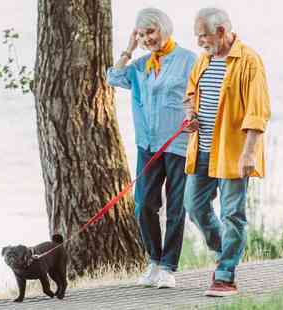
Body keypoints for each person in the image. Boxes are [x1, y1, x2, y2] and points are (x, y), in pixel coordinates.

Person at [182, 7, 271, 297]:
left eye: (203, 36)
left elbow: (257, 112)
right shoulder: (203, 60)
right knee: (194, 207)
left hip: (233, 151)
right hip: (203, 149)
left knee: (233, 213)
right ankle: (225, 250)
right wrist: (190, 115)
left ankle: (225, 275)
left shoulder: (249, 61)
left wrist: (249, 153)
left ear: (221, 31)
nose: (199, 43)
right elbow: (191, 94)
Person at [106, 7, 196, 289]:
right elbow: (114, 78)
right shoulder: (141, 64)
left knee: (176, 208)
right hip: (148, 145)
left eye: (151, 32)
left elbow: (203, 95)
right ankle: (154, 262)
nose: (147, 38)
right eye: (142, 34)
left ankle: (169, 267)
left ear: (164, 29)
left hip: (179, 144)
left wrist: (195, 117)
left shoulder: (188, 60)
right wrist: (129, 49)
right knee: (144, 204)